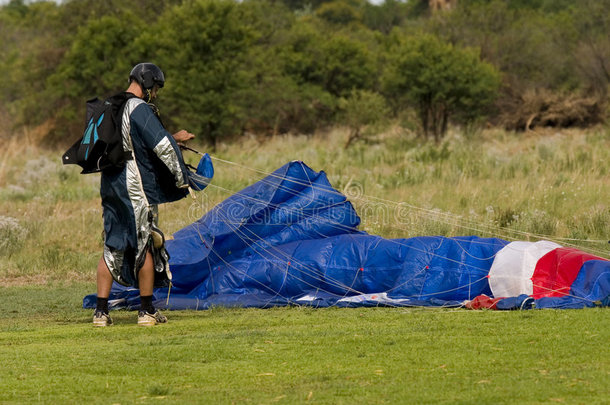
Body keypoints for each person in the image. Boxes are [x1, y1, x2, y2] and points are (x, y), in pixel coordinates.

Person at [93, 63, 194, 327]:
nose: (156, 95)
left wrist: (174, 137)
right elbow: (161, 145)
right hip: (133, 186)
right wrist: (183, 179)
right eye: (156, 88)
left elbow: (131, 144)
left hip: (110, 183)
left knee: (113, 243)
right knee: (146, 241)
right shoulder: (138, 108)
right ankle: (146, 311)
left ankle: (100, 313)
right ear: (147, 82)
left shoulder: (110, 107)